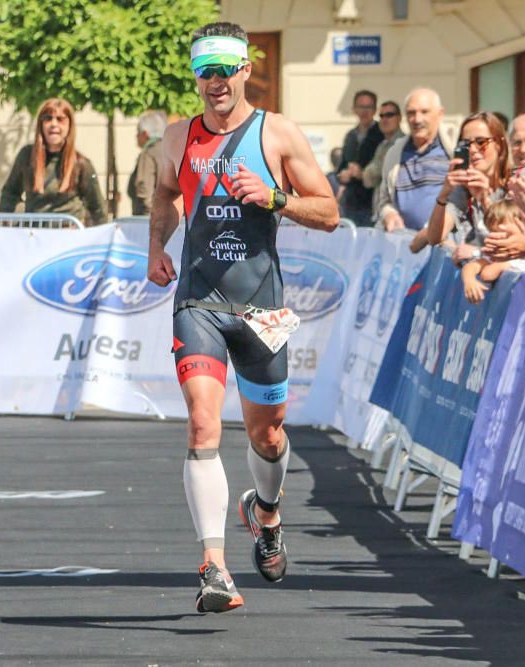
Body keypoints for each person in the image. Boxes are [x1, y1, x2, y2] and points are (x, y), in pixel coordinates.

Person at [145, 21, 338, 614]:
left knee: (268, 433)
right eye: (205, 71)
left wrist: (275, 197)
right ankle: (214, 567)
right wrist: (157, 245)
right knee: (204, 426)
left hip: (261, 307)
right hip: (199, 301)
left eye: (226, 69)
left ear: (245, 71)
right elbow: (163, 194)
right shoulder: (178, 138)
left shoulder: (276, 134)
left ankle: (266, 512)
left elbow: (329, 212)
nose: (215, 82)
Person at [410, 111, 511, 255]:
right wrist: (444, 193)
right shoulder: (463, 188)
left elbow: (509, 241)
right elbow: (434, 238)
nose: (473, 150)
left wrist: (485, 201)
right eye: (466, 144)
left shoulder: (517, 182)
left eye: (481, 142)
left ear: (499, 145)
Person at [0, 98, 108, 226]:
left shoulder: (81, 163)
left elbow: (97, 208)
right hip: (33, 236)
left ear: (69, 126)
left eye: (60, 119)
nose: (54, 124)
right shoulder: (27, 156)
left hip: (67, 237)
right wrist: (2, 227)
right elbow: (10, 193)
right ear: (41, 124)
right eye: (48, 118)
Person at [373, 88, 453, 232]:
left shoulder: (452, 150)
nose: (417, 119)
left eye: (424, 112)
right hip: (404, 245)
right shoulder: (395, 154)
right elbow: (383, 200)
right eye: (411, 113)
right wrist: (389, 213)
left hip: (443, 244)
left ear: (440, 114)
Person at [461, 199, 525, 304]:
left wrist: (503, 265)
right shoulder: (497, 255)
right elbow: (472, 266)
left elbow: (488, 274)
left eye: (504, 233)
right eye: (493, 232)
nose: (498, 237)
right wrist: (469, 280)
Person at [336, 89, 382, 225]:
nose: (364, 111)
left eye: (368, 107)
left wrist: (361, 173)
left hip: (372, 202)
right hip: (350, 202)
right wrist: (343, 174)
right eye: (361, 107)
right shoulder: (350, 135)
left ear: (375, 110)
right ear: (354, 109)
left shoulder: (380, 134)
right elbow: (342, 166)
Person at [361, 100, 404, 200]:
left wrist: (364, 173)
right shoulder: (382, 145)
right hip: (380, 207)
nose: (384, 119)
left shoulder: (402, 143)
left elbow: (379, 172)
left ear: (399, 118)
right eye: (381, 116)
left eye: (389, 115)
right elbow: (368, 180)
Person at [128, 110, 167, 216]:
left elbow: (144, 189)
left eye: (138, 133)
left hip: (151, 221)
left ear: (145, 134)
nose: (136, 136)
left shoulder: (148, 154)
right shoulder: (172, 150)